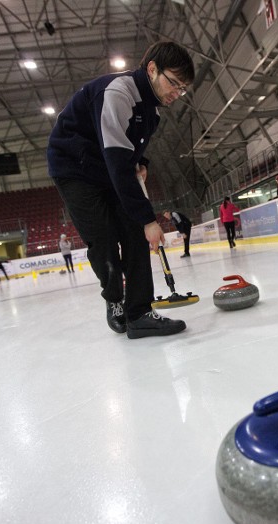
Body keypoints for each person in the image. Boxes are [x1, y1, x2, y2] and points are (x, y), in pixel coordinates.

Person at [47, 41, 194, 339]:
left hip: (106, 165)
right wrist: (148, 220)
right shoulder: (118, 92)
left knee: (133, 233)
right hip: (75, 167)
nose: (177, 94)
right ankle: (115, 299)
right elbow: (116, 160)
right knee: (103, 239)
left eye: (182, 89)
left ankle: (139, 313)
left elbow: (127, 150)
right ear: (152, 69)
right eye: (174, 84)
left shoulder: (152, 110)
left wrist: (140, 162)